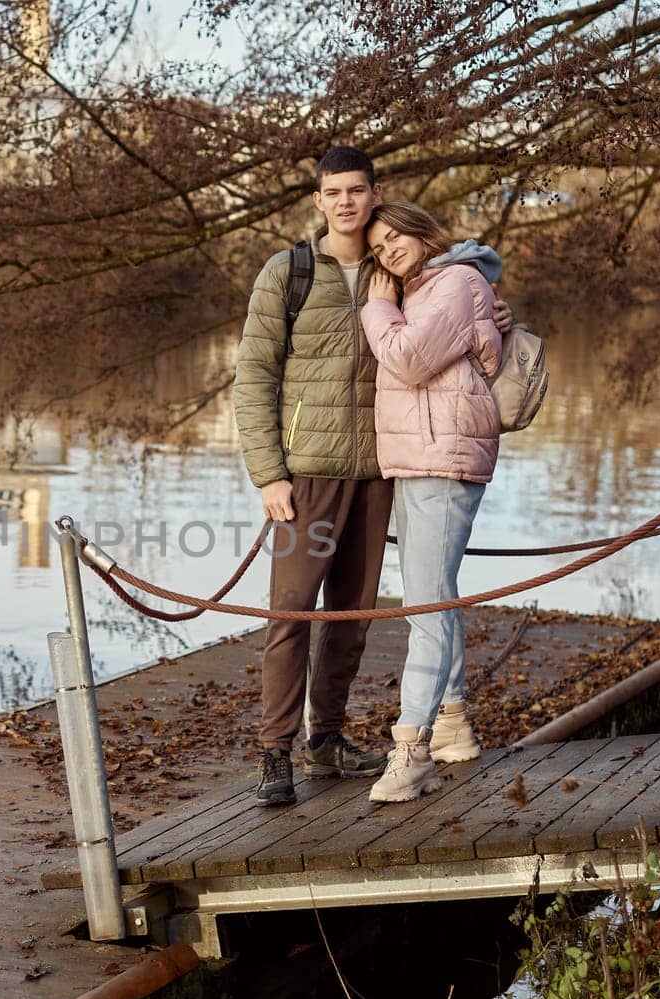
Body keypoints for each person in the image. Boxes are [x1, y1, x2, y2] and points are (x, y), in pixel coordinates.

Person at [233, 151, 511, 805]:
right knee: (289, 612)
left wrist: (495, 317)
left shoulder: (402, 271)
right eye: (334, 192)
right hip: (307, 472)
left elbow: (460, 308)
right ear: (319, 199)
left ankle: (325, 739)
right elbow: (253, 378)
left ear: (375, 193)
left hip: (381, 471)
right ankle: (275, 750)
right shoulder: (291, 272)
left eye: (357, 191)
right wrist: (269, 474)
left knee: (352, 617)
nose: (347, 203)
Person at [358, 201, 504, 803]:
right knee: (434, 596)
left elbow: (409, 360)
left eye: (395, 236)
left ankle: (411, 749)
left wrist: (374, 301)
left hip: (444, 459)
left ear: (422, 232)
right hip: (421, 458)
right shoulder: (427, 289)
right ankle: (452, 725)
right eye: (378, 246)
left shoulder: (457, 280)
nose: (388, 249)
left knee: (424, 604)